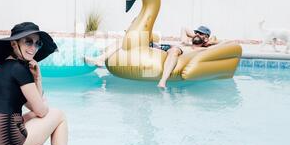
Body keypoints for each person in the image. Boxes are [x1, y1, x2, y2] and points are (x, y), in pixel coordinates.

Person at [0, 22, 68, 145]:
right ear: (14, 44)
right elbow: (41, 111)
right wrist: (38, 81)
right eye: (28, 42)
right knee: (59, 115)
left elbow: (34, 106)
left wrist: (37, 78)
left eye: (37, 43)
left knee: (33, 114)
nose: (33, 48)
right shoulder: (20, 70)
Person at [85, 25, 218, 88]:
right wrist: (195, 36)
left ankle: (163, 81)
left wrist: (209, 41)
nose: (197, 35)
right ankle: (101, 59)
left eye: (201, 34)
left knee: (174, 51)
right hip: (161, 47)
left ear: (206, 38)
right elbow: (184, 28)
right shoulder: (186, 41)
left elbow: (223, 43)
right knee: (128, 40)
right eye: (196, 33)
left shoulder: (198, 48)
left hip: (174, 51)